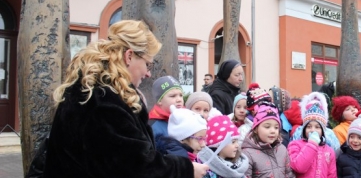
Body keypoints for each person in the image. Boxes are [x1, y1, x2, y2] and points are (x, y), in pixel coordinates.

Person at [44, 20, 207, 177]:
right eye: (147, 64)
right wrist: (186, 169)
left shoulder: (94, 91)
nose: (148, 73)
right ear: (129, 56)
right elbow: (134, 166)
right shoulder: (103, 101)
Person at [287, 92, 337, 178]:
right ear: (304, 129)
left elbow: (331, 174)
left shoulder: (329, 150)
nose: (313, 130)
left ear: (323, 131)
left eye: (317, 127)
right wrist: (312, 144)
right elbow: (299, 167)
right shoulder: (295, 145)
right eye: (309, 126)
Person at [241, 102, 295, 178]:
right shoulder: (247, 154)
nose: (273, 131)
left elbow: (289, 174)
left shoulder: (282, 149)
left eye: (276, 127)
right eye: (267, 127)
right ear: (256, 129)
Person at [197, 110, 249, 178]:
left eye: (237, 141)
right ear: (218, 145)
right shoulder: (206, 169)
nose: (237, 145)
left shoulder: (239, 163)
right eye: (233, 142)